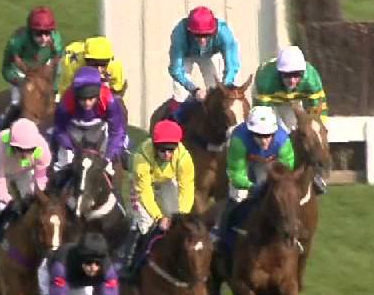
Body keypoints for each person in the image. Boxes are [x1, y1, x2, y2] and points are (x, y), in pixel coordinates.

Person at [0, 118, 52, 274]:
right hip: (2, 174)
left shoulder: (43, 149)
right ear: (12, 145)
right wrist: (9, 201)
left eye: (29, 150)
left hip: (25, 173)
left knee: (33, 206)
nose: (25, 154)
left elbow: (40, 178)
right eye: (21, 150)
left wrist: (35, 195)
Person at [121, 119, 195, 273]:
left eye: (171, 150)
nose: (167, 155)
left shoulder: (184, 157)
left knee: (176, 218)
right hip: (139, 186)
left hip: (166, 183)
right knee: (144, 222)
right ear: (155, 147)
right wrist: (158, 216)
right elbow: (145, 191)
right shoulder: (141, 157)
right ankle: (129, 263)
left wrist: (181, 215)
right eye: (162, 150)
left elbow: (186, 188)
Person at [212, 106, 294, 244]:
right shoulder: (239, 139)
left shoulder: (283, 141)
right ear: (250, 132)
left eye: (267, 135)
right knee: (238, 195)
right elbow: (236, 173)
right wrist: (252, 186)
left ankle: (288, 230)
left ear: (274, 132)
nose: (263, 141)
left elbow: (286, 170)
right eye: (258, 135)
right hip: (244, 160)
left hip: (269, 164)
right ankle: (221, 232)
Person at [50, 66, 128, 181]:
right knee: (63, 162)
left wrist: (108, 157)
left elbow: (117, 131)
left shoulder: (109, 100)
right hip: (73, 129)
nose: (87, 103)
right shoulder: (67, 100)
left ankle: (115, 193)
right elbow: (59, 129)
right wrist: (69, 147)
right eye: (82, 99)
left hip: (99, 129)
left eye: (91, 99)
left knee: (111, 167)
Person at [0, 6, 65, 131]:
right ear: (30, 31)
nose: (44, 38)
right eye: (39, 34)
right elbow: (7, 68)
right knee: (17, 101)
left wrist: (54, 90)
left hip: (43, 72)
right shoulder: (16, 42)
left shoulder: (56, 41)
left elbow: (58, 68)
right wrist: (21, 82)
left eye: (47, 33)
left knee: (57, 104)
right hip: (21, 72)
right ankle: (1, 127)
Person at [166, 6, 240, 120]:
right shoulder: (179, 33)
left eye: (207, 35)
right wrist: (194, 90)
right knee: (180, 94)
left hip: (210, 55)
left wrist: (224, 87)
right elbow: (176, 69)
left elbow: (232, 65)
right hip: (186, 56)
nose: (202, 40)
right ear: (189, 30)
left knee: (217, 91)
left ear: (214, 30)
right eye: (198, 35)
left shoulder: (224, 33)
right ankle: (177, 124)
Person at [252, 45, 328, 132]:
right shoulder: (266, 81)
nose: (292, 81)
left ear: (303, 72)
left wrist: (319, 126)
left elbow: (318, 109)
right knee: (269, 127)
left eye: (297, 74)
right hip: (268, 97)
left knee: (295, 126)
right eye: (287, 75)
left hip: (293, 99)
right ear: (279, 73)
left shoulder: (312, 80)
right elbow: (262, 114)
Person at [57, 35, 127, 97]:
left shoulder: (114, 66)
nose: (99, 69)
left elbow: (118, 93)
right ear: (86, 60)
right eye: (94, 64)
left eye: (103, 64)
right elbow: (65, 93)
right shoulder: (72, 65)